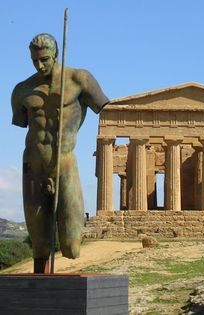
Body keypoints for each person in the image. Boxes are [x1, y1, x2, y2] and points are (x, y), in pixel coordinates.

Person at [11, 33, 109, 273]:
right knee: (39, 245)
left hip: (64, 161)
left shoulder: (80, 80)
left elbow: (109, 111)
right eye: (34, 60)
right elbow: (23, 123)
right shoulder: (22, 90)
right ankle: (40, 285)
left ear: (56, 55)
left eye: (44, 59)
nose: (39, 65)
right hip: (33, 163)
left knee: (71, 246)